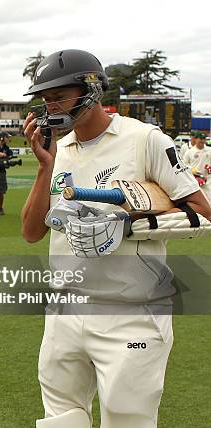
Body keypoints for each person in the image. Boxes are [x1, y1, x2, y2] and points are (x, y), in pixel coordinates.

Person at [21, 49, 211, 428]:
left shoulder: (144, 139)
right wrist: (45, 167)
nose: (51, 105)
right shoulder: (59, 148)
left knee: (128, 421)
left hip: (132, 312)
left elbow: (201, 212)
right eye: (45, 99)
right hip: (65, 308)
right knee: (61, 419)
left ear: (92, 89)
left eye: (59, 95)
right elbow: (31, 232)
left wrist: (129, 223)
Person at [182, 131, 211, 202]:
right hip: (195, 179)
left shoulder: (209, 150)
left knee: (209, 198)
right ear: (196, 139)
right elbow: (184, 164)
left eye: (203, 139)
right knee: (199, 199)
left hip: (208, 179)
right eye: (200, 138)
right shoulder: (190, 151)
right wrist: (192, 170)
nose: (201, 140)